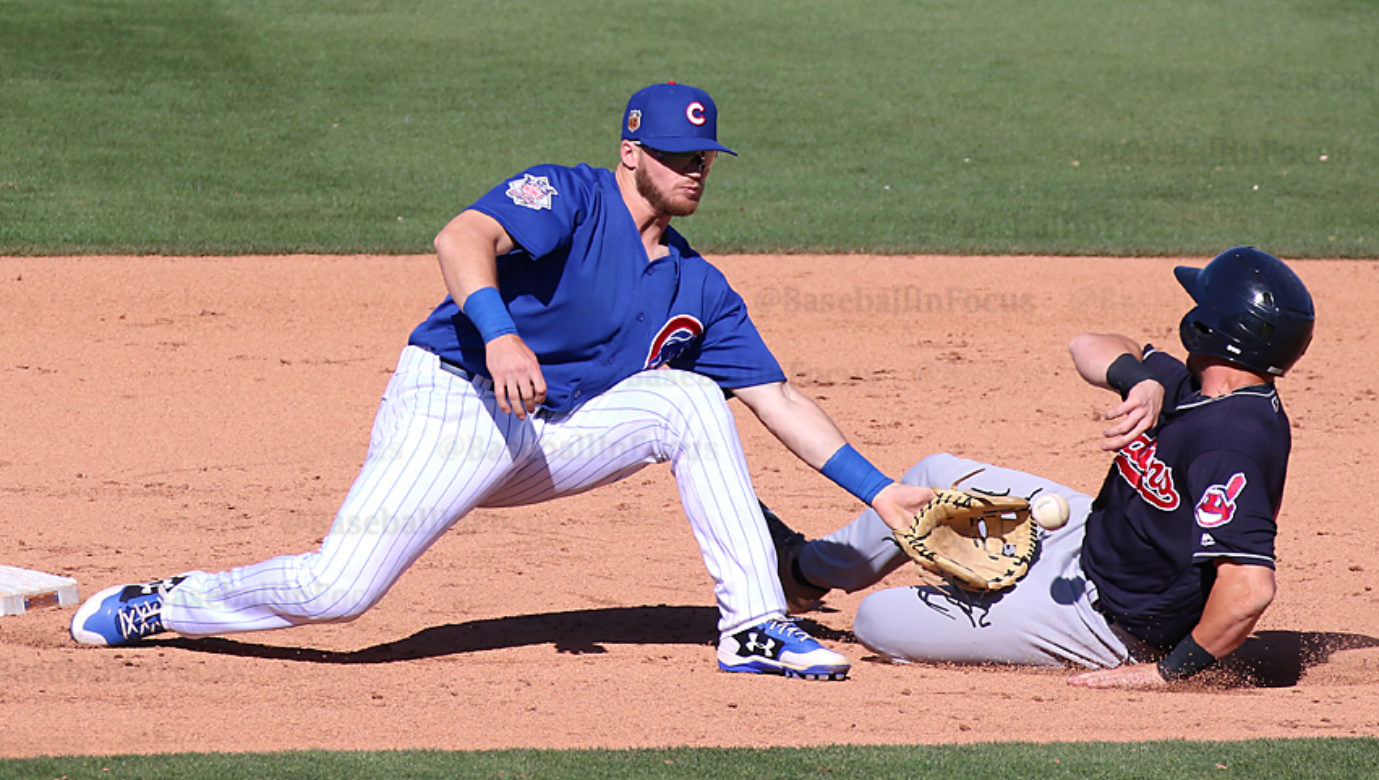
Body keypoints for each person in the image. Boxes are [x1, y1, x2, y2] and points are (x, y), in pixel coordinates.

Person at [69, 82, 932, 681]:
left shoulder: (698, 284)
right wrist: (501, 334)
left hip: (548, 435)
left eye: (704, 156)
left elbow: (776, 398)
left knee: (693, 397)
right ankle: (169, 604)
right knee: (339, 593)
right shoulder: (570, 195)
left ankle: (752, 628)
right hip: (456, 402)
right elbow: (459, 239)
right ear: (631, 152)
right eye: (675, 154)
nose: (693, 169)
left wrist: (882, 490)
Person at [766, 246, 1315, 687]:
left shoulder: (1232, 445)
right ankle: (803, 574)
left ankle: (991, 613)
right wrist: (1138, 377)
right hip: (1085, 535)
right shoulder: (1194, 384)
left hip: (1109, 622)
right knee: (932, 473)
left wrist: (1167, 674)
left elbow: (1248, 589)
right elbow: (1088, 345)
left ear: (1207, 328)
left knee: (876, 620)